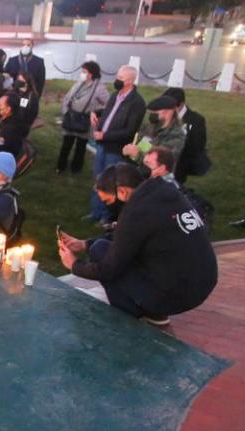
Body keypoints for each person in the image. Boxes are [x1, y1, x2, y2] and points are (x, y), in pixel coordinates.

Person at [59, 153, 218, 326]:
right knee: (102, 247)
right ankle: (155, 313)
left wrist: (74, 265)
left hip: (176, 294)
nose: (109, 207)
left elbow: (108, 269)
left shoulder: (137, 212)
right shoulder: (164, 192)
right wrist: (85, 244)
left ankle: (131, 316)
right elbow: (130, 237)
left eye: (109, 201)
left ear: (122, 191)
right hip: (202, 283)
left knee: (100, 250)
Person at [89, 65, 145, 223]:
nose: (117, 80)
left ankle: (107, 217)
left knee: (112, 183)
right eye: (117, 76)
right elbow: (108, 112)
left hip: (115, 149)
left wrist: (105, 135)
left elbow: (129, 131)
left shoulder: (137, 103)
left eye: (121, 78)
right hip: (102, 145)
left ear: (130, 81)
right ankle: (95, 212)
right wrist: (96, 113)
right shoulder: (115, 95)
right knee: (98, 179)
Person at [57, 61, 109, 175]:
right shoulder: (79, 83)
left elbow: (107, 103)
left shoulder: (99, 87)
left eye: (84, 72)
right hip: (71, 117)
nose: (82, 74)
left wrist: (95, 112)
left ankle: (76, 169)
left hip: (84, 121)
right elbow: (68, 97)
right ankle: (61, 167)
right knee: (66, 144)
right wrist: (66, 111)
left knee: (80, 147)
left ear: (91, 73)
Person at [121, 95, 187, 167]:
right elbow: (136, 142)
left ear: (168, 113)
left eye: (155, 112)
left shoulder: (177, 135)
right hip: (135, 168)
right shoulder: (147, 127)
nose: (152, 115)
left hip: (155, 174)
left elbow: (162, 160)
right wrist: (129, 149)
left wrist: (137, 155)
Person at [162, 88, 210, 184]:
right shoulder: (161, 116)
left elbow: (197, 146)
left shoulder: (196, 120)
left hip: (180, 162)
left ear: (181, 104)